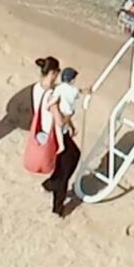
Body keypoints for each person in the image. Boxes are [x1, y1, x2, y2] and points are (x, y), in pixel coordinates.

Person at [35, 57, 83, 217]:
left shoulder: (37, 89)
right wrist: (71, 116)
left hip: (46, 133)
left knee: (70, 158)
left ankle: (51, 184)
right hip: (55, 134)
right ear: (53, 73)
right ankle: (57, 205)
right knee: (65, 168)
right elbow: (60, 119)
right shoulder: (52, 94)